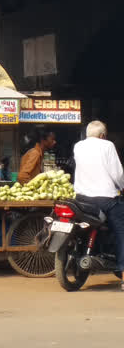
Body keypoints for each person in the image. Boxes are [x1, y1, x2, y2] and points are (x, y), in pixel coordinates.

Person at [72, 120, 124, 290]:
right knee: (121, 231)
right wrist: (122, 187)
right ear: (103, 135)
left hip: (81, 199)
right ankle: (123, 273)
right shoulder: (107, 145)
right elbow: (117, 173)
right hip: (105, 198)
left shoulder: (78, 146)